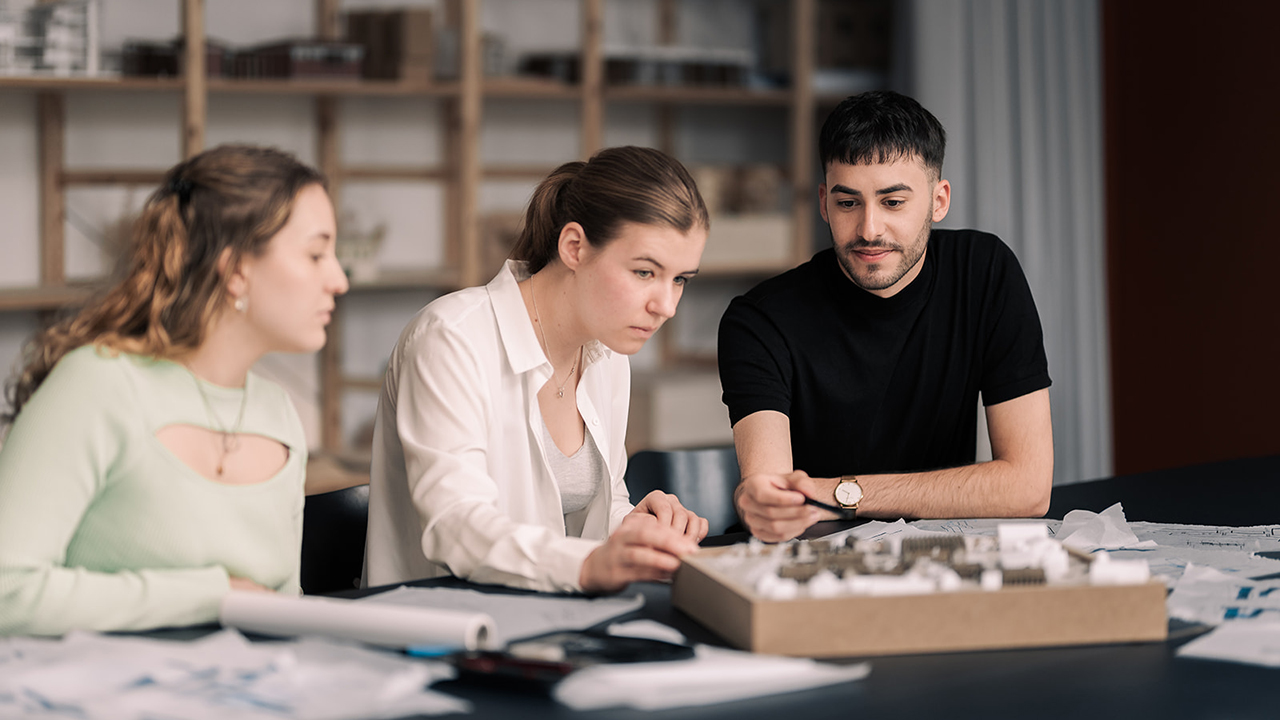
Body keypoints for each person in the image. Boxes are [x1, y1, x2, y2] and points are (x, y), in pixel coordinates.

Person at [0, 145, 350, 635]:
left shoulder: (278, 415)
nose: (339, 280)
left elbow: (282, 611)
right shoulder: (98, 385)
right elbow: (7, 592)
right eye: (316, 254)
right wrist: (211, 595)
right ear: (236, 270)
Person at [365, 146, 711, 594]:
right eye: (645, 273)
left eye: (680, 279)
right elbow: (454, 525)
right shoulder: (450, 338)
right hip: (437, 630)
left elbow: (588, 512)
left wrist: (631, 527)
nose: (666, 306)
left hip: (546, 618)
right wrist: (589, 564)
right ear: (574, 247)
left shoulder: (608, 353)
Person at [718, 91, 1054, 543]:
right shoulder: (758, 322)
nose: (869, 229)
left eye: (893, 202)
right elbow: (777, 505)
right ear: (823, 203)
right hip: (812, 567)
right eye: (847, 203)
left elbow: (1029, 488)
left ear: (939, 200)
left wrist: (835, 493)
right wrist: (766, 503)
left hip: (943, 556)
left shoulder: (985, 271)